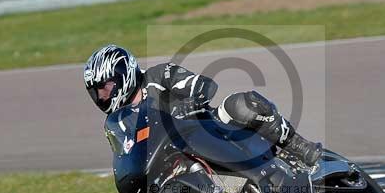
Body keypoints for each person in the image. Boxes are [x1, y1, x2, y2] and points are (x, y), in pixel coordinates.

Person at [83, 44, 322, 167]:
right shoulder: (118, 122)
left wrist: (189, 103)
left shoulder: (160, 74)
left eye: (105, 87)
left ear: (123, 74)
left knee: (240, 104)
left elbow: (205, 85)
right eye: (96, 92)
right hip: (173, 156)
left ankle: (296, 145)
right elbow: (126, 154)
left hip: (209, 128)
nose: (102, 96)